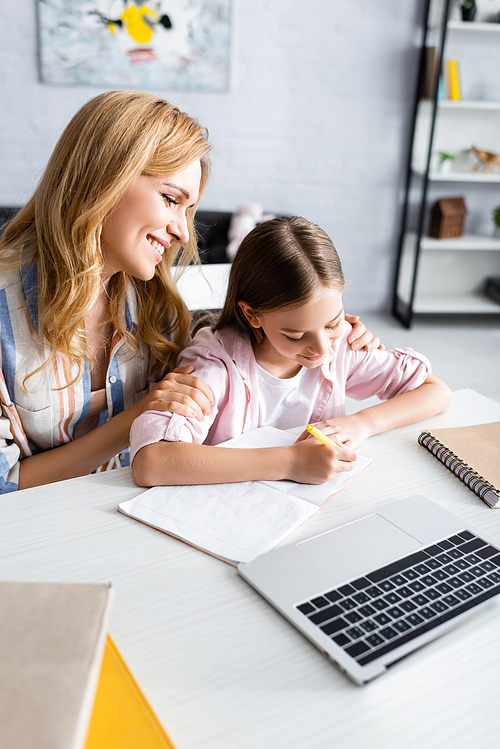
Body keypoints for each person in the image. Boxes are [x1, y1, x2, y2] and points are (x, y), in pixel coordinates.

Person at [0, 91, 377, 493]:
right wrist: (136, 417)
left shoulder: (153, 297)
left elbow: (219, 363)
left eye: (189, 209)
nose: (183, 231)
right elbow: (6, 484)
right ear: (103, 179)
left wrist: (324, 328)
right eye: (169, 199)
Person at [130, 216, 451, 488]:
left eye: (333, 322)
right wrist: (290, 463)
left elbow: (436, 392)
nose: (322, 348)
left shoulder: (343, 347)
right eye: (296, 335)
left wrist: (362, 423)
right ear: (252, 315)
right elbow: (152, 462)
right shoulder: (215, 366)